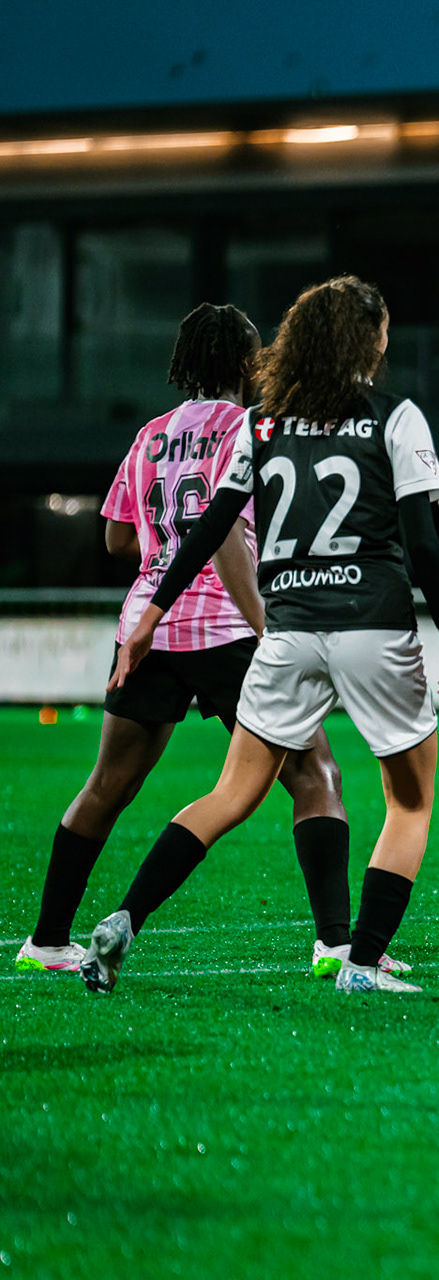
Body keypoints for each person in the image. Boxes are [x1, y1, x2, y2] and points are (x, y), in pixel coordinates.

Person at [78, 276, 439, 996]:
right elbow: (422, 537)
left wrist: (150, 618)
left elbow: (204, 532)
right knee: (409, 801)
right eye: (382, 328)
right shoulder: (396, 415)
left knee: (231, 793)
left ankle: (125, 918)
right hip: (371, 624)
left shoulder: (260, 422)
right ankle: (360, 961)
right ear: (369, 338)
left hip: (286, 629)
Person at [14, 304, 385, 983]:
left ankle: (46, 939)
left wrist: (163, 563)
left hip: (149, 627)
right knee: (314, 775)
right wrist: (270, 628)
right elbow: (226, 539)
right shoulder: (251, 428)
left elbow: (117, 538)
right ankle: (336, 942)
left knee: (108, 786)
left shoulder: (150, 435)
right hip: (228, 629)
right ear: (249, 364)